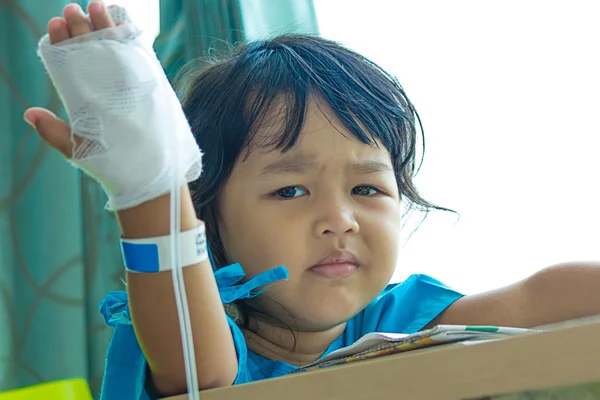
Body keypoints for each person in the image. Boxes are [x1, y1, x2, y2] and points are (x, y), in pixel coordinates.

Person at [24, 2, 600, 399]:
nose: (339, 220)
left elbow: (539, 298)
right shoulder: (191, 325)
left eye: (367, 188)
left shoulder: (403, 325)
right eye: (290, 189)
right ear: (205, 214)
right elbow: (202, 375)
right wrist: (150, 187)